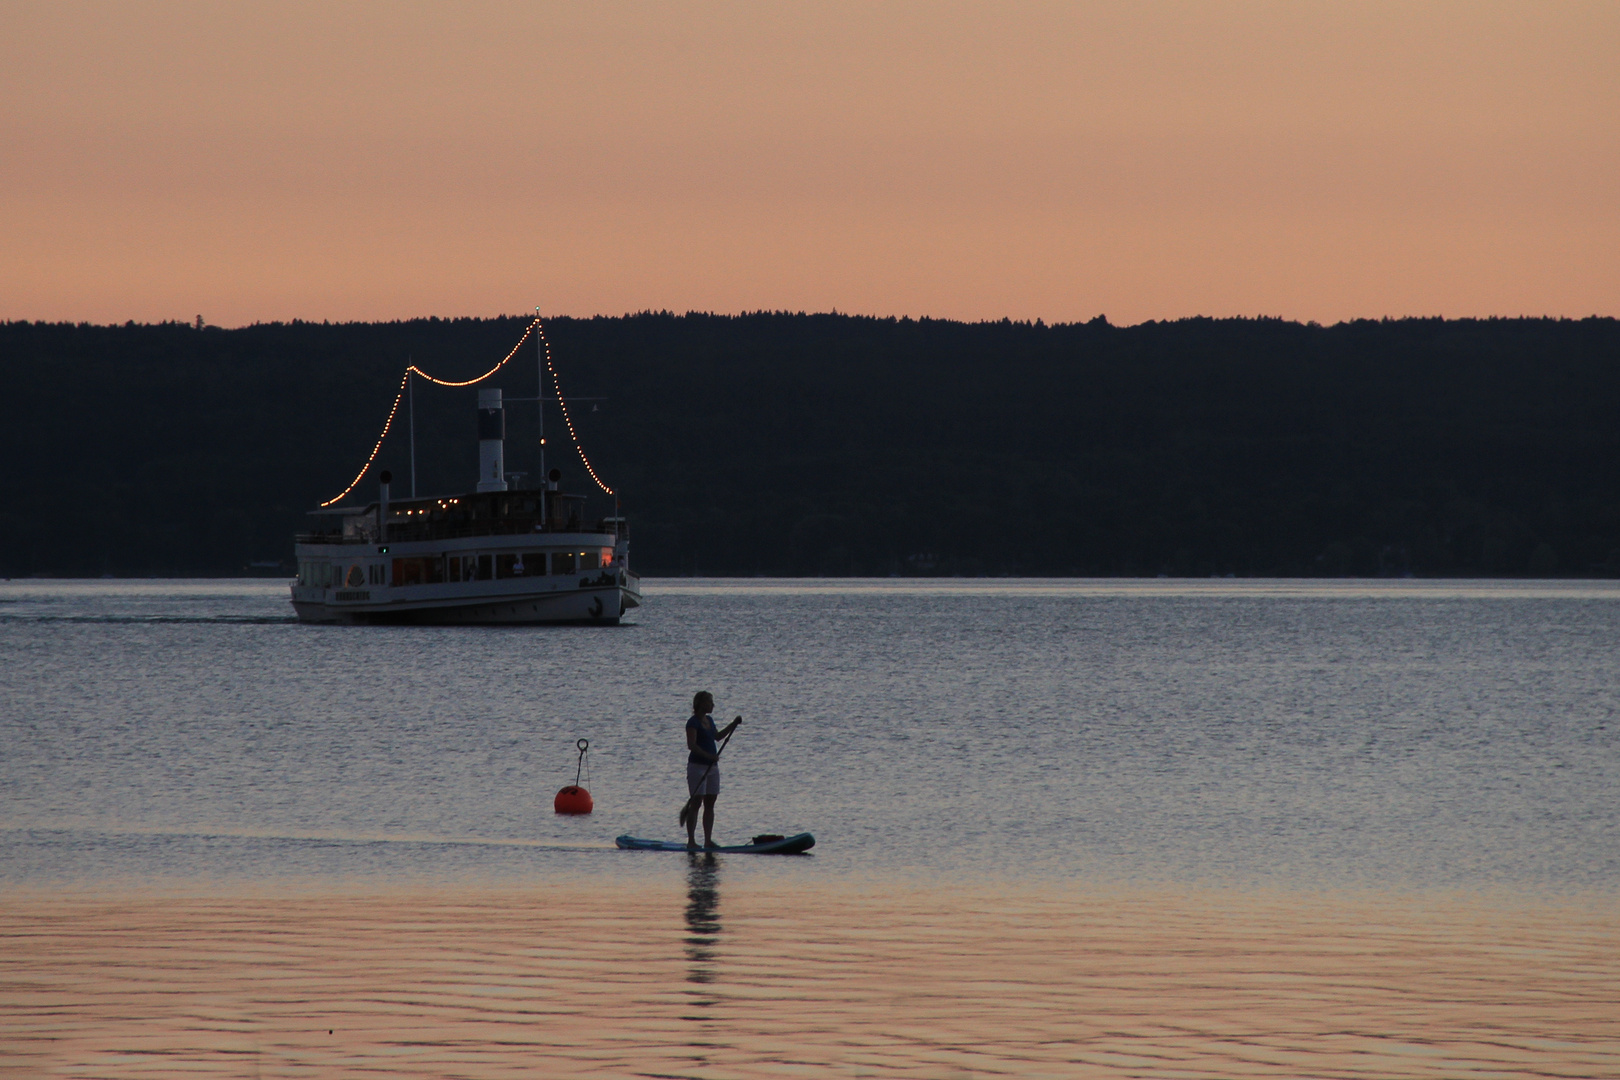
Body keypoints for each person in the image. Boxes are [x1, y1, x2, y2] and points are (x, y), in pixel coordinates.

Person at [685, 691, 741, 849]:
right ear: (701, 704)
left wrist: (733, 724)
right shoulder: (692, 722)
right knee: (696, 803)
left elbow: (717, 736)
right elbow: (692, 745)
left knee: (710, 803)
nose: (712, 705)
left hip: (712, 768)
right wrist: (709, 756)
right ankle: (691, 841)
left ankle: (708, 841)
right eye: (710, 702)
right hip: (697, 767)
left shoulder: (709, 720)